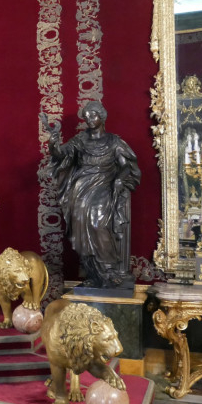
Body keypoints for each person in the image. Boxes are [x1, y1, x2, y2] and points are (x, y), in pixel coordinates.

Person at [42, 101, 141, 288]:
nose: (89, 120)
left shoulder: (113, 142)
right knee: (80, 223)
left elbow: (126, 166)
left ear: (102, 117)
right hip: (81, 187)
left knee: (98, 223)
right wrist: (53, 143)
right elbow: (60, 154)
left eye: (93, 115)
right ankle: (94, 273)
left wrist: (120, 179)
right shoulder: (80, 140)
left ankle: (109, 270)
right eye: (86, 117)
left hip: (104, 185)